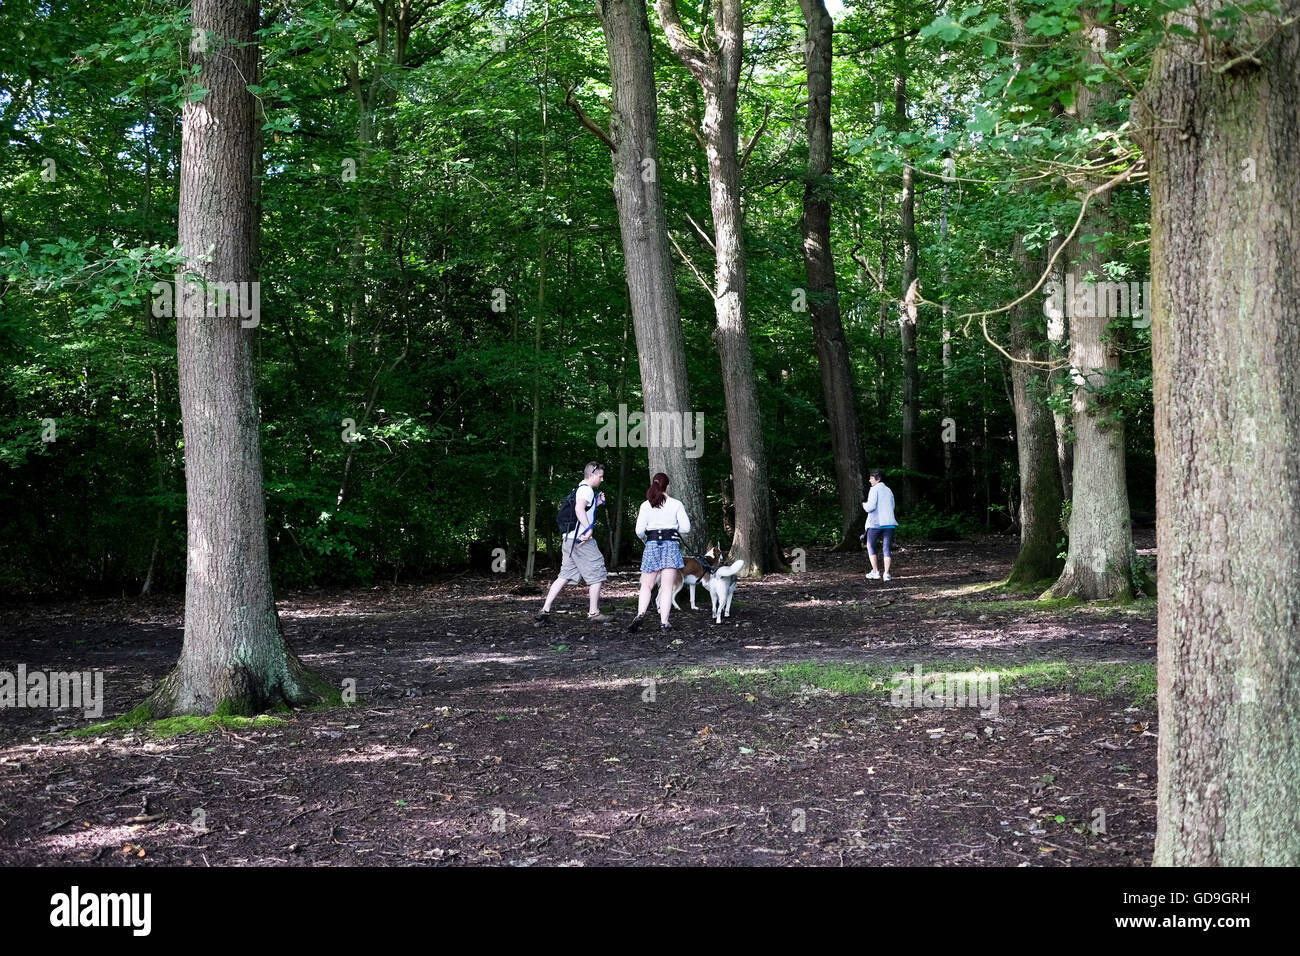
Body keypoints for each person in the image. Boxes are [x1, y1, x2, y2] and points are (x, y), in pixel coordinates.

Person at [535, 462, 612, 624]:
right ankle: (594, 612)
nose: (602, 479)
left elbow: (583, 509)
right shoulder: (586, 490)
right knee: (597, 573)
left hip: (569, 539)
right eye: (600, 476)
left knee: (564, 575)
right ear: (591, 475)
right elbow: (579, 509)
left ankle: (545, 610)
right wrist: (588, 529)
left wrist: (596, 504)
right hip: (581, 541)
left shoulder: (578, 489)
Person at [628, 473, 691, 633]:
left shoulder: (645, 505)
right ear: (667, 486)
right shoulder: (676, 504)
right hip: (670, 545)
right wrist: (673, 529)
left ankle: (640, 614)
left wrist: (646, 540)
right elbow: (686, 528)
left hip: (652, 545)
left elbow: (639, 531)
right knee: (667, 586)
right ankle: (664, 622)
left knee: (646, 585)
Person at [862, 469, 898, 581]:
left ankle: (876, 572)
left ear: (878, 479)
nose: (869, 480)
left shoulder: (874, 490)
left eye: (871, 478)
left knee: (870, 546)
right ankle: (886, 574)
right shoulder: (889, 490)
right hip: (889, 523)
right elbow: (892, 506)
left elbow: (871, 507)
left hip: (875, 524)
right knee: (886, 549)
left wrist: (864, 504)